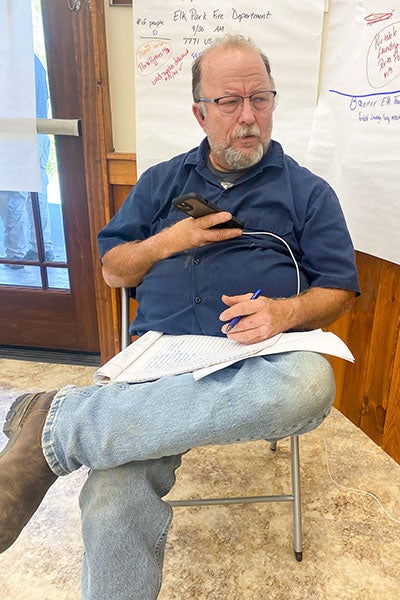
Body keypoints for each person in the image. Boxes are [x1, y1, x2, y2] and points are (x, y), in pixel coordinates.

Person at [0, 35, 360, 599]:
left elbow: (339, 287)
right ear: (199, 112)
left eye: (260, 99)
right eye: (230, 102)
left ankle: (59, 422)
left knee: (311, 384)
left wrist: (288, 311)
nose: (248, 117)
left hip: (255, 360)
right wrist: (170, 239)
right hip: (160, 357)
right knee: (111, 496)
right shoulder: (162, 182)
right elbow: (115, 271)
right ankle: (72, 427)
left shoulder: (308, 193)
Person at [0, 54, 53, 269]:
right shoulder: (34, 60)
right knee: (37, 191)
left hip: (15, 133)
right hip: (40, 131)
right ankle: (42, 247)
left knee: (12, 192)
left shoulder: (9, 58)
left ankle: (15, 254)